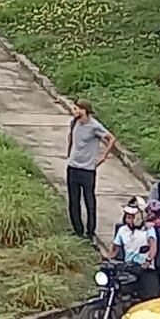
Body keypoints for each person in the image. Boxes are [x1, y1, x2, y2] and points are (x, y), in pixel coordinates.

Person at [65, 99, 116, 239]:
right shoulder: (73, 122)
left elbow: (111, 138)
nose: (73, 111)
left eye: (76, 109)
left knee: (89, 202)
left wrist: (103, 156)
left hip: (87, 170)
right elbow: (71, 137)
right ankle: (77, 230)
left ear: (84, 111)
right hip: (73, 167)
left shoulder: (94, 126)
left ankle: (90, 232)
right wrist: (69, 153)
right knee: (73, 201)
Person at [106, 200, 158, 300]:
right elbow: (115, 248)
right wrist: (108, 260)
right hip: (128, 268)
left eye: (130, 217)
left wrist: (148, 261)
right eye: (127, 217)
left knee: (150, 298)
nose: (127, 220)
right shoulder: (122, 230)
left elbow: (153, 246)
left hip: (145, 269)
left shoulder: (149, 229)